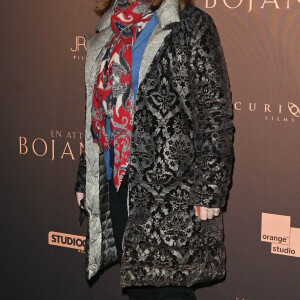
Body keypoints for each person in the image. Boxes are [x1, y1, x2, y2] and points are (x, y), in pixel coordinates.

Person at [74, 0, 235, 299]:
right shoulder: (111, 27)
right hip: (120, 187)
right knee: (140, 292)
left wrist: (210, 188)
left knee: (171, 293)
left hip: (174, 193)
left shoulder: (189, 24)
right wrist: (87, 174)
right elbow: (100, 111)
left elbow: (214, 112)